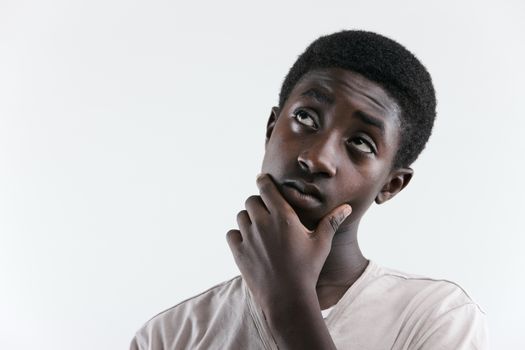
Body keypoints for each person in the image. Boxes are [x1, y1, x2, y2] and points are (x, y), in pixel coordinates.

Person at [130, 30, 488, 349]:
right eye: (305, 118)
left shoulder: (438, 319)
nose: (317, 158)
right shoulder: (169, 336)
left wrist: (290, 303)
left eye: (361, 143)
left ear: (391, 185)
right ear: (271, 129)